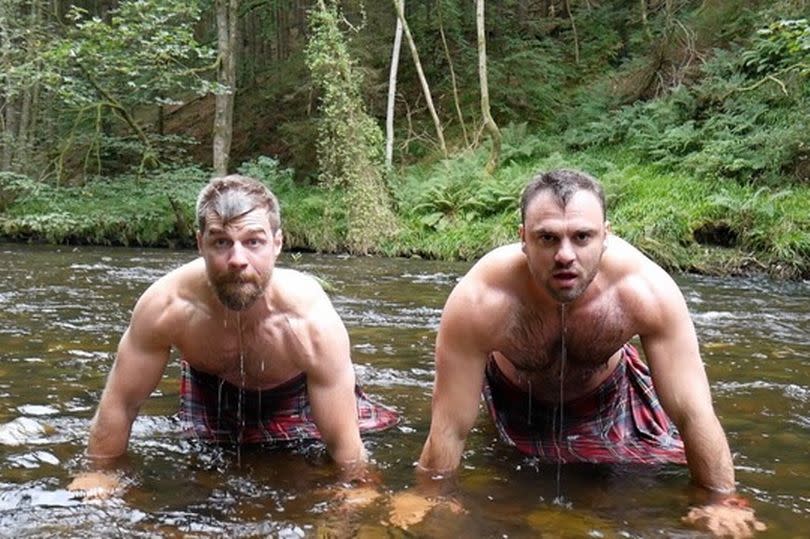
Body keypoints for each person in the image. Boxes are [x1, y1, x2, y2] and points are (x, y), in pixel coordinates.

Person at [413, 169, 765, 537]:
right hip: (515, 398)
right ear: (523, 240)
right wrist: (430, 495)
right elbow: (450, 425)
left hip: (609, 396)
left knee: (650, 478)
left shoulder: (646, 290)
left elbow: (693, 412)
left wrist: (720, 501)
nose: (565, 255)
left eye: (582, 237)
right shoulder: (480, 299)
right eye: (547, 238)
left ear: (606, 237)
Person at [69, 174, 398, 497]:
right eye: (221, 242)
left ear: (277, 243)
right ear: (201, 244)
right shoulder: (166, 305)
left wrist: (356, 488)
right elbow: (120, 404)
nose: (237, 260)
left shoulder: (309, 320)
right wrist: (99, 474)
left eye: (253, 242)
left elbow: (343, 443)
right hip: (213, 396)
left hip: (298, 396)